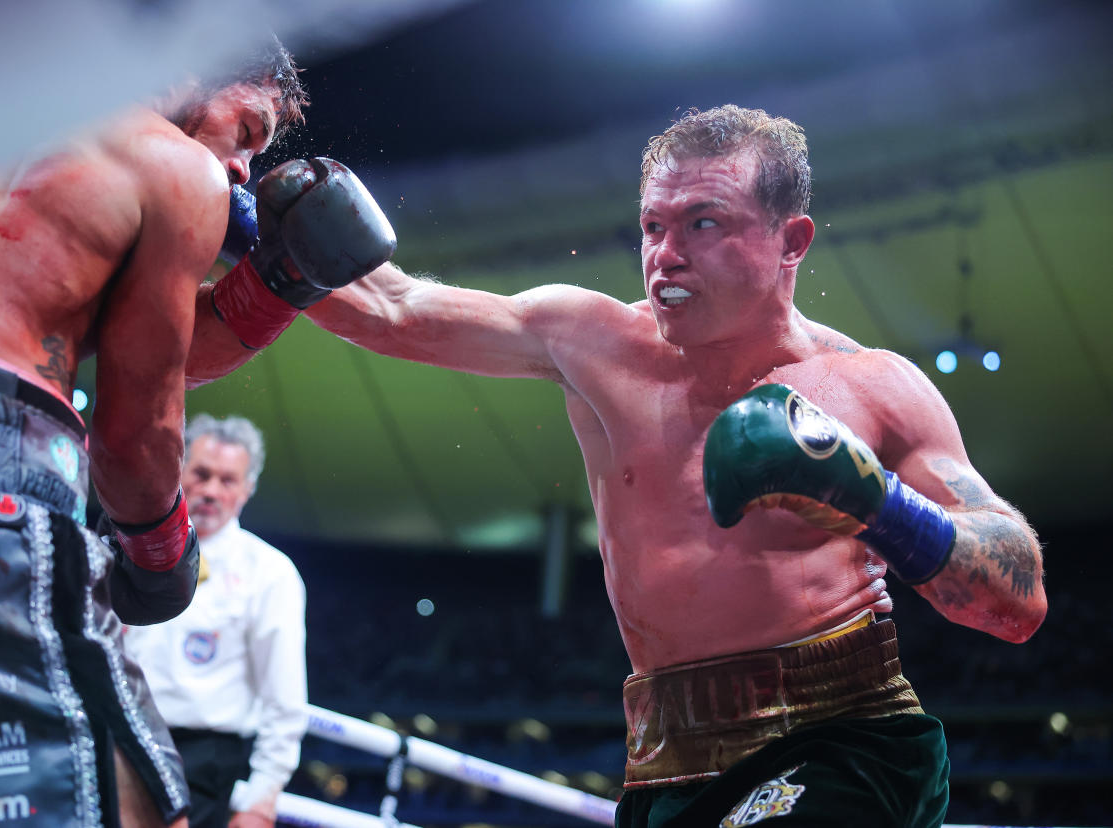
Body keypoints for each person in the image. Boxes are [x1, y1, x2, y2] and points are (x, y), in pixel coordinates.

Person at [302, 105, 1047, 825]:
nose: (666, 254)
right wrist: (235, 220)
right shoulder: (591, 342)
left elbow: (1016, 603)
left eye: (704, 222)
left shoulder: (869, 388)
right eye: (653, 226)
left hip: (843, 740)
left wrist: (875, 500)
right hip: (665, 766)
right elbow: (389, 309)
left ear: (792, 241)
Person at [0, 34, 393, 827]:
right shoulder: (166, 163)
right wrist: (162, 549)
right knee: (143, 807)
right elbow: (135, 431)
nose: (246, 170)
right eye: (247, 129)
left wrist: (278, 286)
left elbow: (136, 337)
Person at [123, 414, 307, 828]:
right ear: (178, 472)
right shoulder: (128, 548)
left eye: (227, 480)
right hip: (121, 741)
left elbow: (285, 701)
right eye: (201, 474)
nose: (210, 491)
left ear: (247, 490)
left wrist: (261, 798)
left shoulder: (269, 573)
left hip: (203, 765)